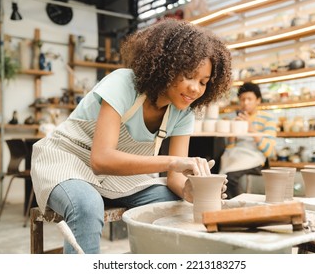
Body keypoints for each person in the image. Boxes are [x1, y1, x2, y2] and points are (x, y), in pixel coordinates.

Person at [31, 18, 232, 254]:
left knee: (173, 203)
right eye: (189, 75)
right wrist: (173, 162)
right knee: (87, 204)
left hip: (116, 179)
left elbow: (174, 180)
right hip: (66, 162)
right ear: (167, 65)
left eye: (204, 82)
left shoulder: (183, 112)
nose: (195, 89)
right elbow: (101, 159)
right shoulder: (124, 83)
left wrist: (191, 190)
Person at [219, 82, 277, 199]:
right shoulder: (236, 118)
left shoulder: (267, 119)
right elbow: (230, 148)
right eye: (242, 99)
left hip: (255, 160)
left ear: (258, 100)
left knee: (229, 177)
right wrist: (232, 134)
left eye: (249, 99)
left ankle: (240, 207)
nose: (245, 103)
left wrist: (251, 128)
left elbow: (270, 152)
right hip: (235, 156)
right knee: (217, 175)